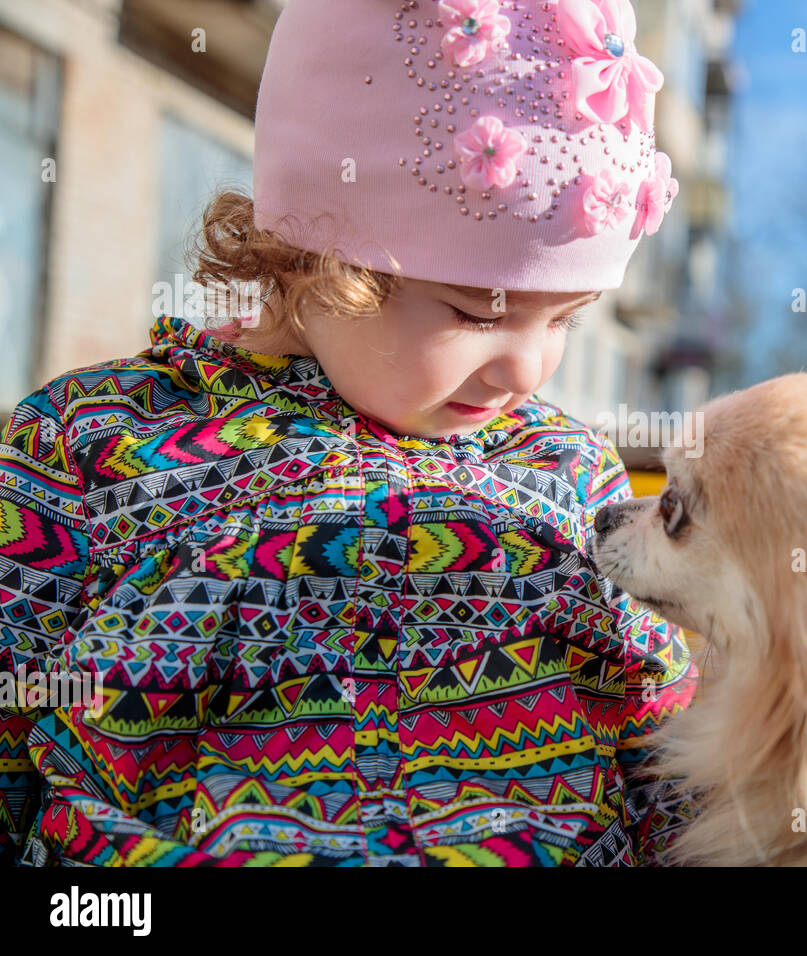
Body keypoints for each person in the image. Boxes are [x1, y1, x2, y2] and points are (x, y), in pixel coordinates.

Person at [0, 0, 696, 867]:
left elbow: (662, 739)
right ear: (316, 257)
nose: (530, 372)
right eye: (479, 313)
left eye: (568, 321)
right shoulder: (94, 438)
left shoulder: (564, 467)